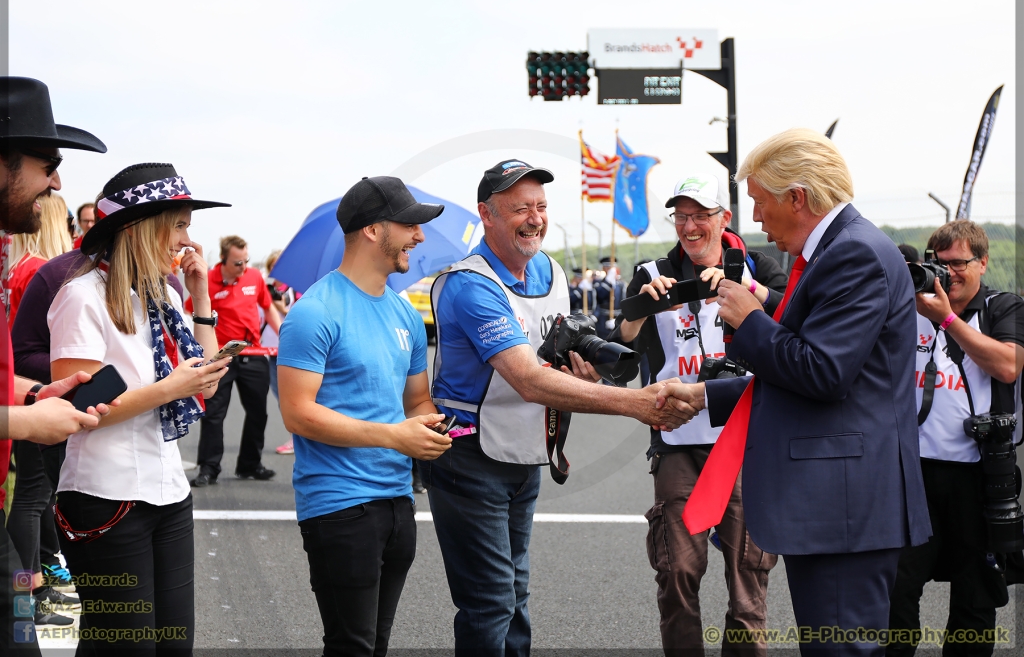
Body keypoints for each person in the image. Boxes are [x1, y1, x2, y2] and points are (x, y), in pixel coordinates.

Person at [659, 129, 931, 657]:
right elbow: (818, 375)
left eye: (760, 202)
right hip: (840, 503)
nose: (756, 219)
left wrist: (752, 320)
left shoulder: (853, 254)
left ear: (797, 198)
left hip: (843, 507)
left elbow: (823, 373)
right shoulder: (841, 249)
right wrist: (704, 395)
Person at [422, 158, 695, 655]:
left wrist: (578, 369)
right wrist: (636, 404)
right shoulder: (469, 284)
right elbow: (528, 378)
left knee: (515, 596)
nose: (535, 218)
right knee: (490, 603)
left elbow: (554, 357)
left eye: (542, 207)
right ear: (486, 214)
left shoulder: (547, 268)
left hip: (524, 453)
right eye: (520, 208)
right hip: (469, 458)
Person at [48, 162, 231, 654]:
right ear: (139, 228)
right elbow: (77, 405)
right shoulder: (82, 297)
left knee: (174, 645)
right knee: (123, 647)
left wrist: (200, 297)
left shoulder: (162, 295)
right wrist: (172, 387)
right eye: (178, 224)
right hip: (105, 497)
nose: (187, 240)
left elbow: (206, 384)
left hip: (167, 491)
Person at [277, 176, 452, 656]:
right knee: (350, 645)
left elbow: (416, 401)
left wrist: (435, 427)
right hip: (339, 504)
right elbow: (297, 414)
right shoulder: (314, 311)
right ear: (374, 230)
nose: (419, 236)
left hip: (397, 500)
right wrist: (396, 438)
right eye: (410, 225)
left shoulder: (405, 313)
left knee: (376, 644)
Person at [613, 172, 787, 656]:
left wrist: (745, 292)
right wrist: (640, 309)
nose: (690, 227)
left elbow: (790, 334)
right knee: (677, 572)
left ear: (723, 219)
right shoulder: (652, 273)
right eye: (681, 216)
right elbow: (621, 348)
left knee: (747, 576)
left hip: (745, 441)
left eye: (701, 216)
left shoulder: (758, 267)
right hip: (677, 440)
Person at [1, 75, 112, 654]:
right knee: (33, 503)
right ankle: (37, 578)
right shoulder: (39, 271)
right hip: (23, 449)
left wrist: (26, 396)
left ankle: (34, 580)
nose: (58, 181)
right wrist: (23, 419)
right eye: (47, 162)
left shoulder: (7, 261)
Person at [887, 220, 1024, 657]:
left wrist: (945, 318)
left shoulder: (1004, 308)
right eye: (938, 265)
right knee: (896, 588)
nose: (948, 274)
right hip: (914, 474)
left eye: (959, 263)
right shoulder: (909, 309)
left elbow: (1007, 366)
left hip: (978, 474)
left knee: (975, 595)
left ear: (983, 262)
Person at [5, 189, 76, 626]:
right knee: (33, 498)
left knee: (30, 498)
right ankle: (29, 597)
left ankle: (31, 594)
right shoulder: (39, 272)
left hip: (19, 393)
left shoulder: (15, 268)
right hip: (30, 395)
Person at [187, 234, 282, 486]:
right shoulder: (208, 280)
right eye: (237, 262)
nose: (243, 267)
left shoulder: (254, 277)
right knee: (214, 413)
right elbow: (190, 310)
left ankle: (250, 464)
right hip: (222, 355)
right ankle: (208, 468)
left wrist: (283, 333)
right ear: (223, 259)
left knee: (258, 413)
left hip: (253, 352)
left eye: (246, 261)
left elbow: (268, 306)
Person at [6, 192, 72, 324]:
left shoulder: (16, 266)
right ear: (55, 225)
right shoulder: (42, 270)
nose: (74, 233)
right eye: (69, 223)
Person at [261, 249, 299, 456]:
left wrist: (283, 307)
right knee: (280, 398)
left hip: (292, 350)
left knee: (294, 397)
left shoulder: (296, 290)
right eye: (275, 265)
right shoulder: (264, 289)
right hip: (269, 351)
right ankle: (296, 436)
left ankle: (298, 438)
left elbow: (297, 314)